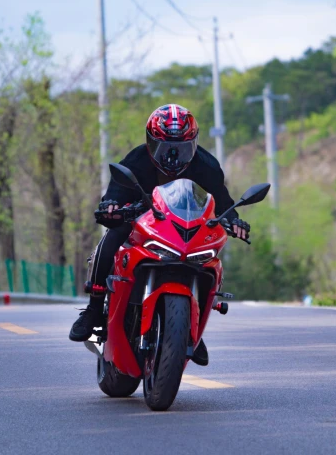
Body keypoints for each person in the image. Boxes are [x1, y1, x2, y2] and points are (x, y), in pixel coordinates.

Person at [68, 104, 250, 364]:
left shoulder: (207, 165)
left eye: (182, 148)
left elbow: (223, 202)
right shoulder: (136, 160)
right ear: (150, 143)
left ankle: (190, 327)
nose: (173, 156)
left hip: (185, 227)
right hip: (142, 220)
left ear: (194, 144)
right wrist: (111, 206)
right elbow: (116, 193)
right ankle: (94, 309)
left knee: (208, 258)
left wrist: (234, 221)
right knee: (112, 236)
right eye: (164, 148)